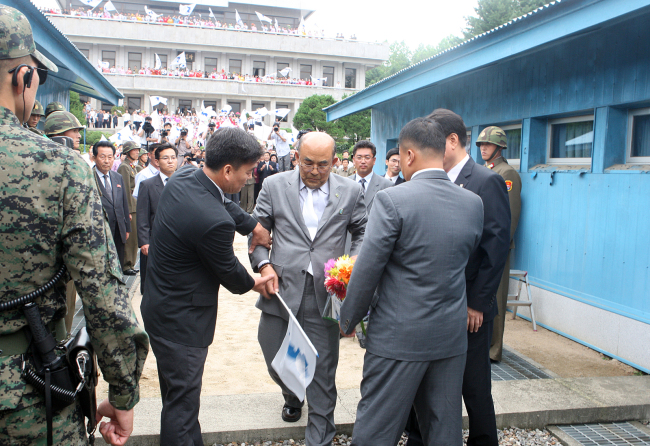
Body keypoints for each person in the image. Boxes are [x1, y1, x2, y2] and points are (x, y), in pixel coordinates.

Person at [0, 6, 148, 445]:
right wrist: (123, 394)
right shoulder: (58, 167)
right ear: (24, 77)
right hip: (26, 398)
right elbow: (103, 293)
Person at [340, 117, 484, 446]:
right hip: (449, 336)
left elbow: (368, 269)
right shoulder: (473, 204)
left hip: (397, 337)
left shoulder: (393, 200)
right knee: (444, 429)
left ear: (408, 156)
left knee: (377, 428)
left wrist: (348, 318)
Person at [140, 127, 274, 446]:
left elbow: (222, 204)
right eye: (247, 172)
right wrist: (257, 280)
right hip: (182, 323)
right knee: (182, 406)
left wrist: (253, 224)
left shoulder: (187, 177)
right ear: (228, 170)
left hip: (159, 305)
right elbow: (230, 273)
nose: (249, 178)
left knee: (179, 397)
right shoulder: (212, 223)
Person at [250, 132, 367, 446]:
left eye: (324, 165)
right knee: (275, 355)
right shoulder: (274, 186)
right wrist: (263, 264)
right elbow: (257, 234)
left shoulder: (351, 190)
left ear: (335, 161)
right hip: (279, 287)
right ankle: (292, 393)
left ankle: (320, 437)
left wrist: (353, 261)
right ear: (296, 157)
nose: (316, 171)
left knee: (322, 368)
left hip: (327, 291)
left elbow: (363, 231)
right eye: (309, 163)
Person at [404, 109, 510, 446]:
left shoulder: (486, 180)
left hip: (469, 309)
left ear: (451, 140)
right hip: (432, 307)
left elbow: (495, 250)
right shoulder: (428, 179)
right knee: (425, 380)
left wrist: (478, 303)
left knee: (474, 386)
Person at [477, 126, 523, 363]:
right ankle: (483, 344)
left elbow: (510, 216)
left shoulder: (508, 174)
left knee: (496, 296)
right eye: (481, 144)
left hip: (497, 246)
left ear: (500, 147)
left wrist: (498, 247)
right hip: (480, 245)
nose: (483, 148)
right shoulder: (486, 171)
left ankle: (494, 350)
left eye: (488, 144)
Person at [137, 143, 177, 299]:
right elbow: (142, 215)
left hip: (179, 240)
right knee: (152, 281)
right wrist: (144, 241)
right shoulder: (147, 185)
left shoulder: (187, 182)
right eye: (165, 158)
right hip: (156, 239)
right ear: (157, 161)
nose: (170, 161)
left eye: (173, 157)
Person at [92, 140, 131, 267]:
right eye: (102, 157)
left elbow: (124, 203)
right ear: (94, 157)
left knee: (117, 262)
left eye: (110, 157)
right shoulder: (88, 178)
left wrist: (127, 227)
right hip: (98, 231)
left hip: (118, 230)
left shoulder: (117, 177)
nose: (106, 161)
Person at [117, 141, 141, 276]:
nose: (137, 152)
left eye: (138, 150)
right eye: (134, 150)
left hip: (135, 204)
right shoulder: (124, 167)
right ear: (127, 152)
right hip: (130, 206)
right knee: (130, 238)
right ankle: (126, 265)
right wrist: (127, 211)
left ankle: (130, 263)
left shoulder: (131, 166)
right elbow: (125, 189)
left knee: (134, 238)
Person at [350, 140, 393, 212]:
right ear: (354, 160)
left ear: (374, 160)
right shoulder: (345, 184)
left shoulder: (387, 185)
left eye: (367, 157)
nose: (363, 161)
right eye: (359, 157)